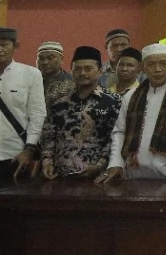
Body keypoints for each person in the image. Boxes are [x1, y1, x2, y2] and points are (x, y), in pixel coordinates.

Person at [99, 44, 166, 184]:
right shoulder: (131, 96)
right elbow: (120, 132)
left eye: (163, 63)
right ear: (143, 68)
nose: (158, 69)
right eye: (152, 64)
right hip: (134, 173)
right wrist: (115, 163)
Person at [39, 45, 120, 180]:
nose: (82, 73)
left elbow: (114, 138)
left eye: (88, 69)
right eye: (77, 69)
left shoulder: (114, 101)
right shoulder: (60, 103)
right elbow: (49, 136)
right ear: (71, 71)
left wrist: (100, 165)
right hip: (60, 177)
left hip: (97, 178)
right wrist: (47, 162)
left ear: (100, 71)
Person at [0, 26, 46, 180]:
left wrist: (29, 148)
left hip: (16, 156)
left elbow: (37, 114)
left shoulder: (31, 74)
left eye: (4, 44)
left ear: (15, 46)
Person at [36, 41, 71, 107]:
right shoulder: (29, 81)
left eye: (50, 58)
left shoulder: (73, 83)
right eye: (41, 58)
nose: (45, 62)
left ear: (61, 59)